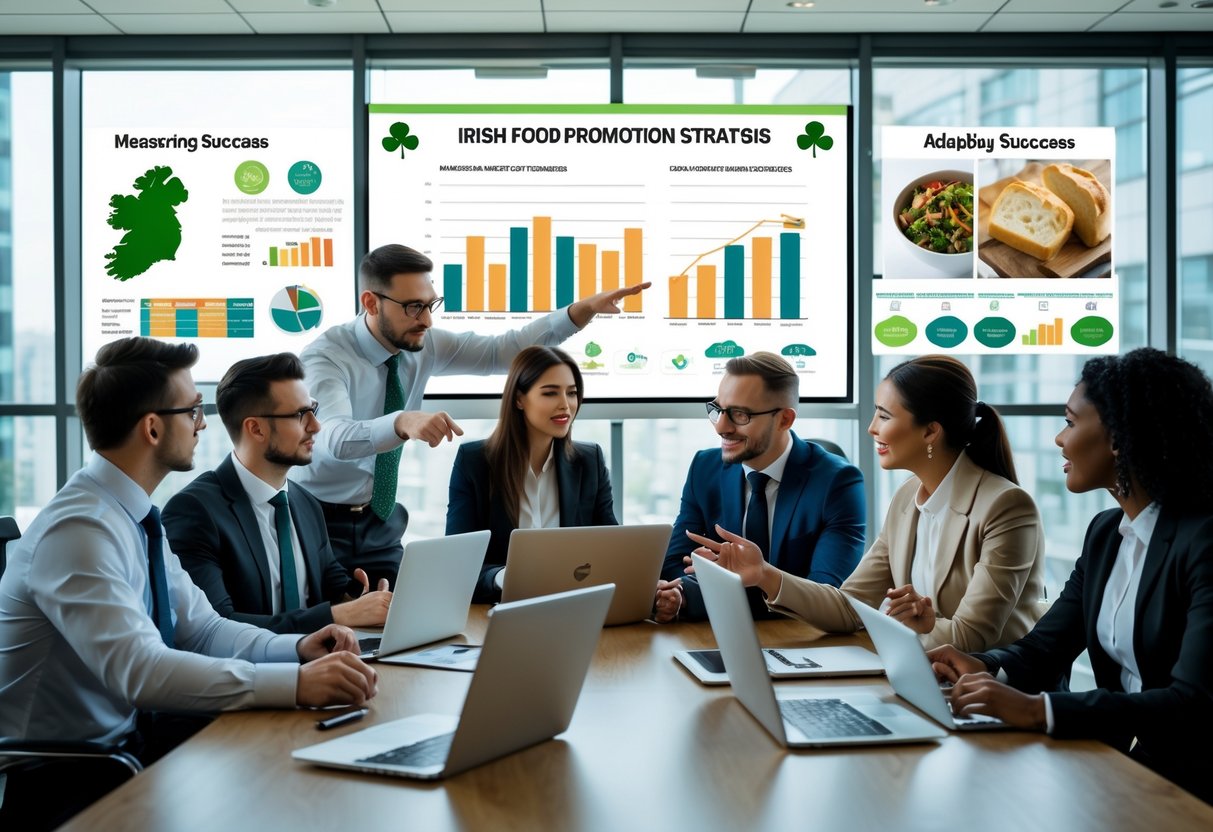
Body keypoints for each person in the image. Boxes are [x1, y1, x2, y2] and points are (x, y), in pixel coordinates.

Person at [0, 338, 377, 829]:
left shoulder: (132, 516)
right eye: (193, 410)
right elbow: (141, 671)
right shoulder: (78, 532)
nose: (203, 424)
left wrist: (298, 648)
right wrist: (296, 684)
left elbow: (202, 629)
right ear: (153, 428)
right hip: (63, 774)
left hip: (124, 750)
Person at [928, 348, 1213, 804]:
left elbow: (1192, 703)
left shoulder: (1203, 540)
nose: (1060, 439)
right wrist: (985, 664)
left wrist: (1038, 709)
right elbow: (1045, 648)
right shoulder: (1106, 535)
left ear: (1118, 438)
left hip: (1190, 785)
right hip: (1118, 769)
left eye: (1070, 422)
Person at [292, 243, 649, 594]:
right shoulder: (326, 359)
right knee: (330, 628)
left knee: (400, 622)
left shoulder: (423, 342)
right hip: (318, 519)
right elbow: (332, 438)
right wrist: (401, 422)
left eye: (431, 305)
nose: (427, 320)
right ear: (370, 302)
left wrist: (580, 311)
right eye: (414, 307)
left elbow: (502, 351)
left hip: (378, 519)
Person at [690, 354, 1045, 651]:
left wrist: (900, 629)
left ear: (930, 431)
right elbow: (849, 607)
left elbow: (971, 638)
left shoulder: (1007, 507)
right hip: (929, 680)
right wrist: (764, 575)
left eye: (885, 416)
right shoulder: (908, 497)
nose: (872, 428)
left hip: (992, 694)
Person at [445, 346, 682, 621]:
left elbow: (612, 550)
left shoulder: (589, 460)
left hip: (574, 614)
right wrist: (505, 576)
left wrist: (647, 589)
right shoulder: (475, 462)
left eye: (571, 392)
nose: (565, 405)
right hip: (498, 618)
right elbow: (457, 566)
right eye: (550, 393)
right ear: (519, 399)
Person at [163, 353, 392, 634]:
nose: (315, 426)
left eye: (313, 410)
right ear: (255, 428)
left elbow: (334, 590)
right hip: (254, 675)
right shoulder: (194, 511)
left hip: (324, 662)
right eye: (299, 415)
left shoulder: (305, 502)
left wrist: (359, 599)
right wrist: (336, 615)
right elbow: (214, 628)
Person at [662, 352, 866, 621]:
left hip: (803, 642)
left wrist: (722, 583)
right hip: (721, 638)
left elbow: (825, 594)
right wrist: (679, 596)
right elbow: (673, 566)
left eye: (739, 414)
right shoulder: (704, 468)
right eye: (717, 409)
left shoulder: (838, 483)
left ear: (785, 420)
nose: (721, 427)